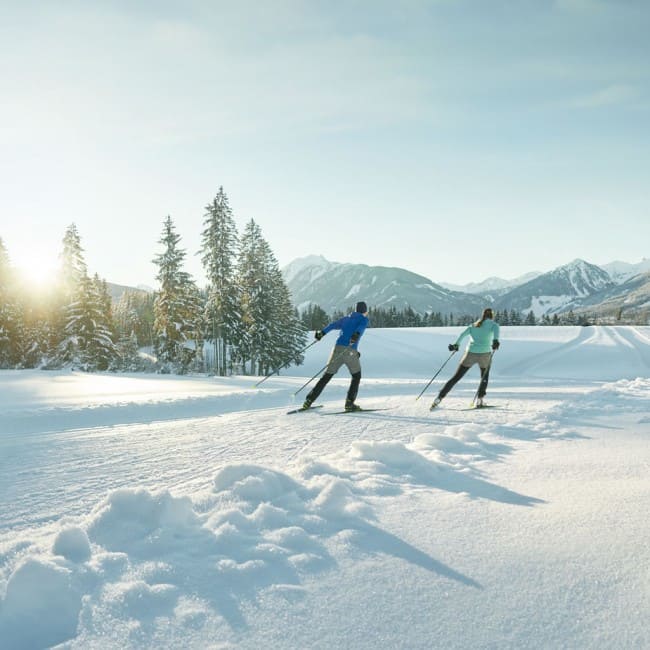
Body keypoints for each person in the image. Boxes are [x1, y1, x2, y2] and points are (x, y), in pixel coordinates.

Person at [303, 301, 369, 412]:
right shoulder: (364, 319)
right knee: (356, 376)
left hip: (337, 349)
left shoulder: (346, 319)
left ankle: (308, 401)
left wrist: (322, 333)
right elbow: (360, 329)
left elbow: (332, 325)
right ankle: (349, 403)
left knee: (326, 376)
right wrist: (356, 335)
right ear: (364, 311)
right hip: (349, 350)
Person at [431, 307, 500, 409]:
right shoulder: (494, 325)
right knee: (484, 378)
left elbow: (462, 335)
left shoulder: (474, 325)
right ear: (492, 316)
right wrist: (495, 343)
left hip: (470, 354)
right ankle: (480, 400)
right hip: (485, 354)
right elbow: (496, 338)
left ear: (483, 315)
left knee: (456, 377)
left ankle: (439, 398)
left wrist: (456, 345)